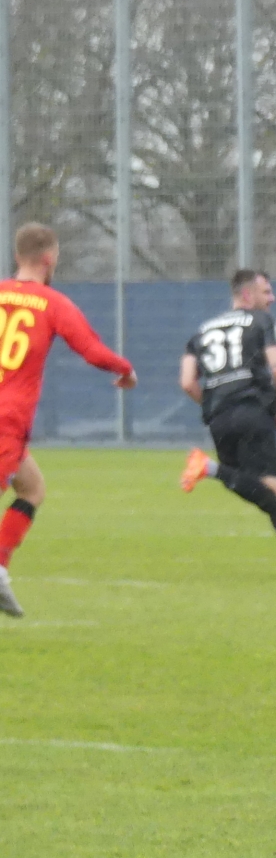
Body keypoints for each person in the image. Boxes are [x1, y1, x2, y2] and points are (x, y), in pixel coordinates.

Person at [0, 223, 137, 617]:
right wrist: (125, 369)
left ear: (17, 256)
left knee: (32, 488)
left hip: (9, 426)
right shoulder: (52, 303)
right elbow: (91, 349)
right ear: (49, 258)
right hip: (7, 420)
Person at [179, 269, 276, 575]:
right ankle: (209, 467)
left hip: (219, 418)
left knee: (258, 489)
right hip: (252, 411)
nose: (272, 298)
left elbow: (187, 382)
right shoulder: (264, 322)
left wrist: (214, 404)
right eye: (267, 292)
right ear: (248, 295)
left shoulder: (201, 332)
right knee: (272, 492)